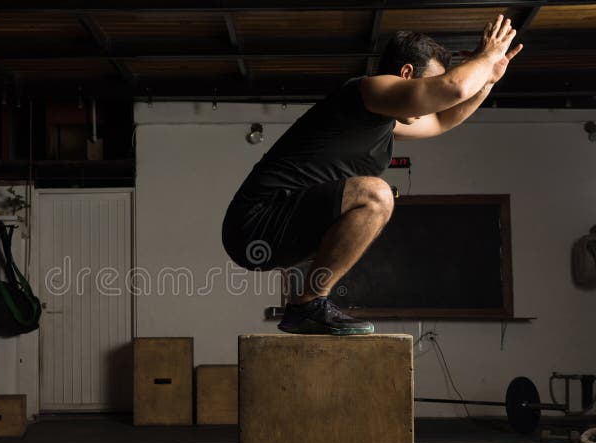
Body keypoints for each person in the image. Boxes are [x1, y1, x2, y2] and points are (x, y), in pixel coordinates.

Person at [221, 14, 523, 336]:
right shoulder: (367, 90)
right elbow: (453, 88)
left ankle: (307, 306)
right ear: (406, 74)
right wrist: (485, 57)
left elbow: (443, 121)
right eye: (428, 85)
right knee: (377, 195)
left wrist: (488, 79)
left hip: (279, 229)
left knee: (377, 199)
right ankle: (307, 305)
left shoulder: (388, 122)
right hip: (255, 220)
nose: (429, 103)